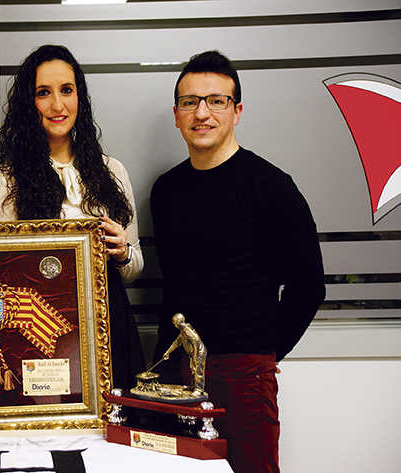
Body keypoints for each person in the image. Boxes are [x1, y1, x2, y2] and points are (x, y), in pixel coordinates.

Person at [150, 50, 325, 473]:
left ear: (237, 111)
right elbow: (173, 287)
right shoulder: (166, 191)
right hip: (176, 374)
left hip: (244, 376)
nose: (202, 113)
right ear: (176, 114)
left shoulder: (273, 187)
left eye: (217, 101)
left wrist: (263, 358)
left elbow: (309, 288)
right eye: (190, 102)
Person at [0, 44, 145, 389]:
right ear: (30, 104)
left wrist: (123, 253)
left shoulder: (112, 171)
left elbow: (134, 268)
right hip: (40, 333)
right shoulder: (6, 180)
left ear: (79, 99)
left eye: (66, 91)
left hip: (110, 325)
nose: (58, 105)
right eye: (44, 93)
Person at [159, 313, 206, 396]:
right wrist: (167, 352)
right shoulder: (183, 332)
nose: (175, 325)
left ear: (179, 322)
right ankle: (193, 386)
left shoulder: (187, 330)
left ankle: (199, 389)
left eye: (175, 323)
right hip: (193, 353)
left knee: (198, 370)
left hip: (199, 352)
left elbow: (196, 342)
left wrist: (195, 356)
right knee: (193, 369)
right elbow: (176, 343)